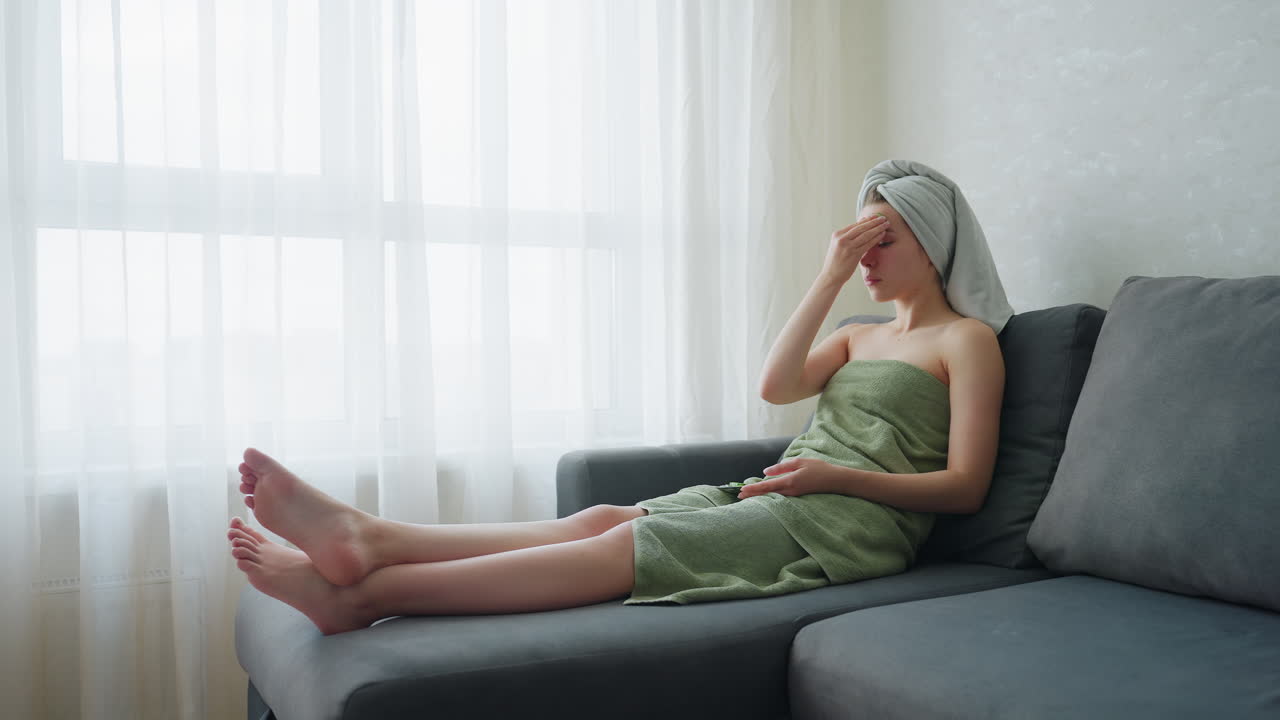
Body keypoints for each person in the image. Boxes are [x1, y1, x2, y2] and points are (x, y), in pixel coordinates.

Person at [226, 159, 1011, 635]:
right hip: (785, 495)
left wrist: (837, 477)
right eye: (859, 242)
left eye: (884, 241)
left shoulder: (965, 342)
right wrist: (829, 274)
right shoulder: (855, 331)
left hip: (851, 525)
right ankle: (372, 539)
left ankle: (362, 600)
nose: (867, 258)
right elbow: (775, 387)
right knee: (598, 518)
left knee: (617, 551)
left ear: (931, 244)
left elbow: (965, 487)